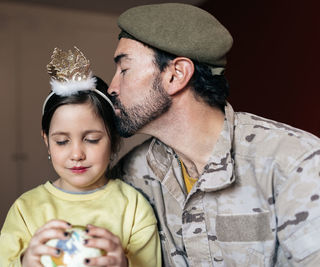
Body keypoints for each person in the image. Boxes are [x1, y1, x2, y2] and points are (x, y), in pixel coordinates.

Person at [107, 3, 320, 266]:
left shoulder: (295, 163)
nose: (112, 87)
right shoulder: (131, 176)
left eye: (124, 70)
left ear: (176, 74)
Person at [0, 47, 161, 267]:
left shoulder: (133, 208)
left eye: (92, 139)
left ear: (113, 140)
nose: (76, 154)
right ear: (46, 141)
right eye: (62, 141)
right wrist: (25, 262)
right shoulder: (25, 209)